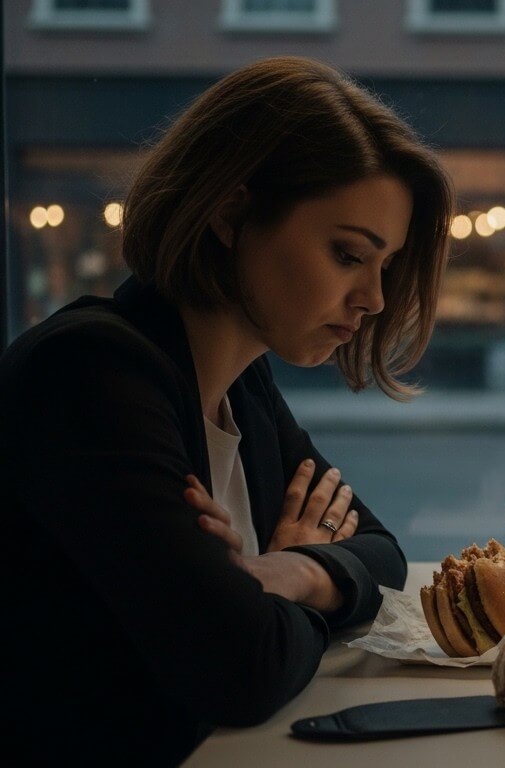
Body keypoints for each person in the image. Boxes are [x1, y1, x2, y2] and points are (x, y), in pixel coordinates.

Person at [1, 57, 451, 764]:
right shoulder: (89, 374)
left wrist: (292, 572)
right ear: (231, 210)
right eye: (346, 254)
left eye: (384, 265)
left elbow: (383, 555)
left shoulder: (244, 388)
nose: (375, 299)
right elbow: (240, 668)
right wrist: (304, 596)